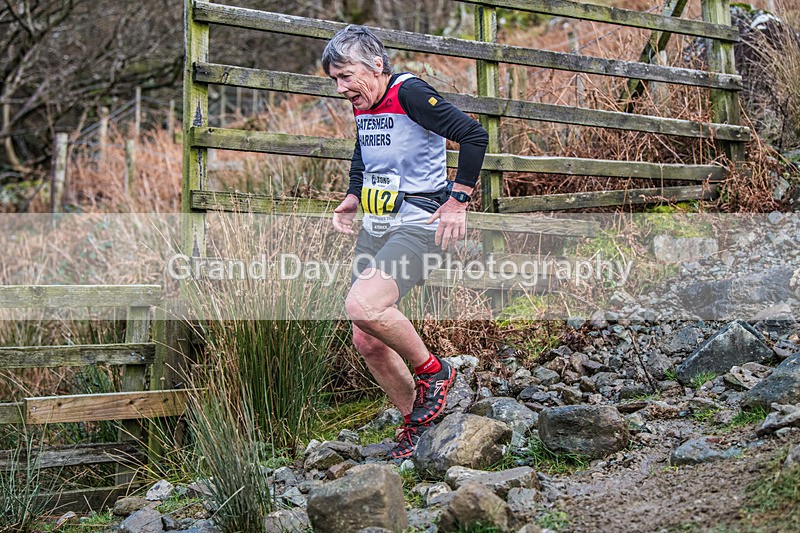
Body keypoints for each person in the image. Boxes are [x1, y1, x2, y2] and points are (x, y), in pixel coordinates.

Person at [322, 25, 488, 459]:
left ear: (377, 66)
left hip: (418, 224)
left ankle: (435, 371)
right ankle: (420, 427)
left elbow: (473, 135)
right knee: (367, 339)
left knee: (364, 305)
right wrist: (353, 196)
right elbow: (364, 150)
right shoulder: (365, 102)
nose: (341, 89)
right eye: (334, 80)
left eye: (345, 76)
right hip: (376, 225)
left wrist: (457, 201)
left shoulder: (408, 93)